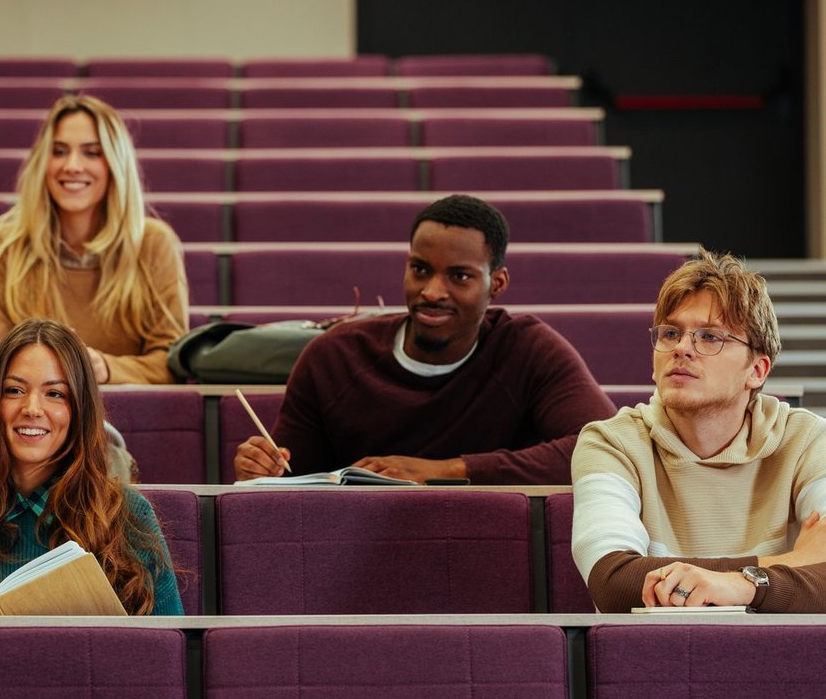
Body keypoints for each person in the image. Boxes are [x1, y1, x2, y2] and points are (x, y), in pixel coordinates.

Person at [232, 194, 616, 484]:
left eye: (459, 276)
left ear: (496, 284)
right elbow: (290, 478)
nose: (432, 291)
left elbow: (605, 448)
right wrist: (262, 470)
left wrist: (442, 470)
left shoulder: (528, 349)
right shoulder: (334, 357)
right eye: (420, 269)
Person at [571, 249, 826, 612]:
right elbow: (612, 581)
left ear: (757, 370)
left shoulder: (808, 440)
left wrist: (735, 583)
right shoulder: (612, 442)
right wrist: (758, 577)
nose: (681, 348)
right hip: (652, 659)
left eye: (710, 337)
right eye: (671, 333)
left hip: (785, 658)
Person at [0, 319, 182, 615]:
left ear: (79, 410)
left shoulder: (130, 515)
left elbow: (168, 648)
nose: (32, 409)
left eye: (55, 394)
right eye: (14, 390)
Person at [0, 94, 189, 386]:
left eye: (92, 152)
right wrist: (57, 369)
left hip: (130, 421)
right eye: (59, 151)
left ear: (114, 164)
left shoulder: (155, 244)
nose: (72, 165)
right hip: (34, 419)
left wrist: (103, 369)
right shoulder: (7, 244)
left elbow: (171, 363)